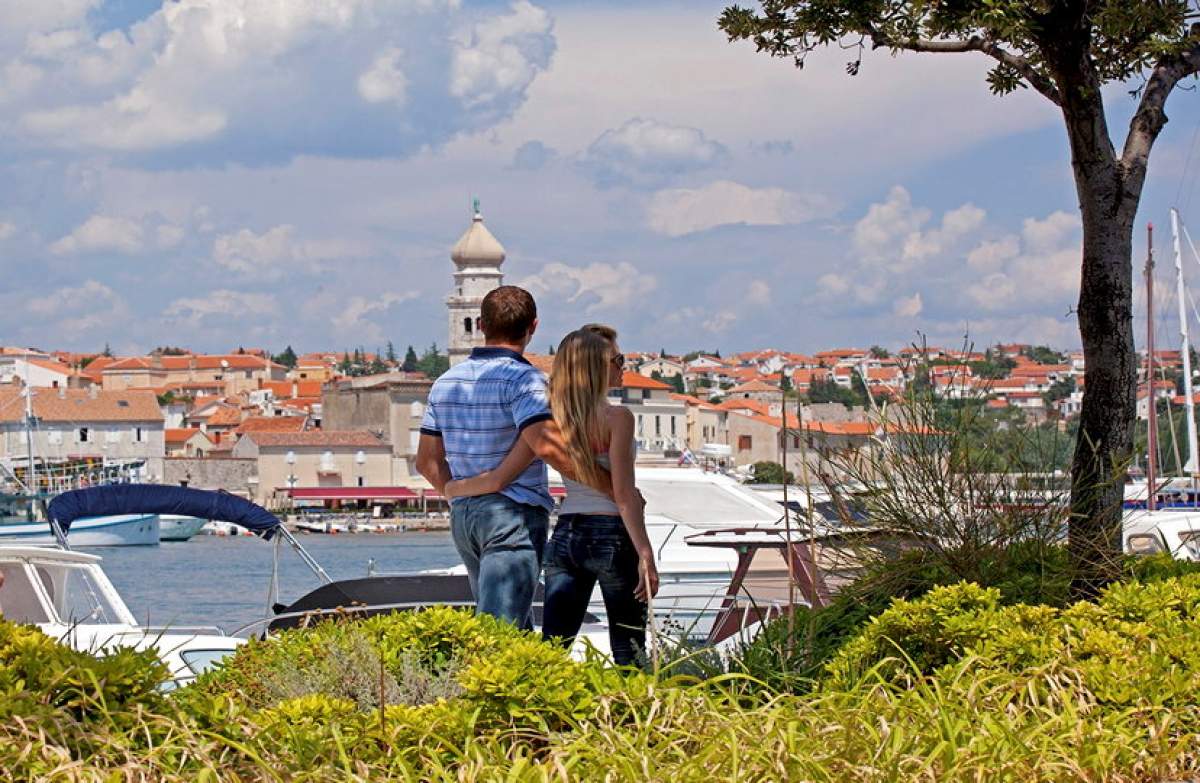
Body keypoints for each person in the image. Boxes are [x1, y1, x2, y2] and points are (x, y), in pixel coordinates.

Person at [445, 324, 658, 665]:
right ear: (596, 367)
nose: (623, 366)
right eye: (618, 359)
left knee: (552, 649)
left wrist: (453, 488)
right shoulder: (618, 418)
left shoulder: (551, 422)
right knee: (629, 650)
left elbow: (500, 477)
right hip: (613, 535)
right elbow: (622, 494)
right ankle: (630, 717)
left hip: (567, 536)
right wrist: (645, 553)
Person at [416, 286, 612, 628]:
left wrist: (455, 491)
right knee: (500, 630)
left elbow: (426, 462)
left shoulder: (445, 383)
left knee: (509, 623)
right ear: (533, 327)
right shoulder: (525, 381)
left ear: (481, 324)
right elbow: (546, 446)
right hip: (512, 512)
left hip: (465, 517)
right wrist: (612, 488)